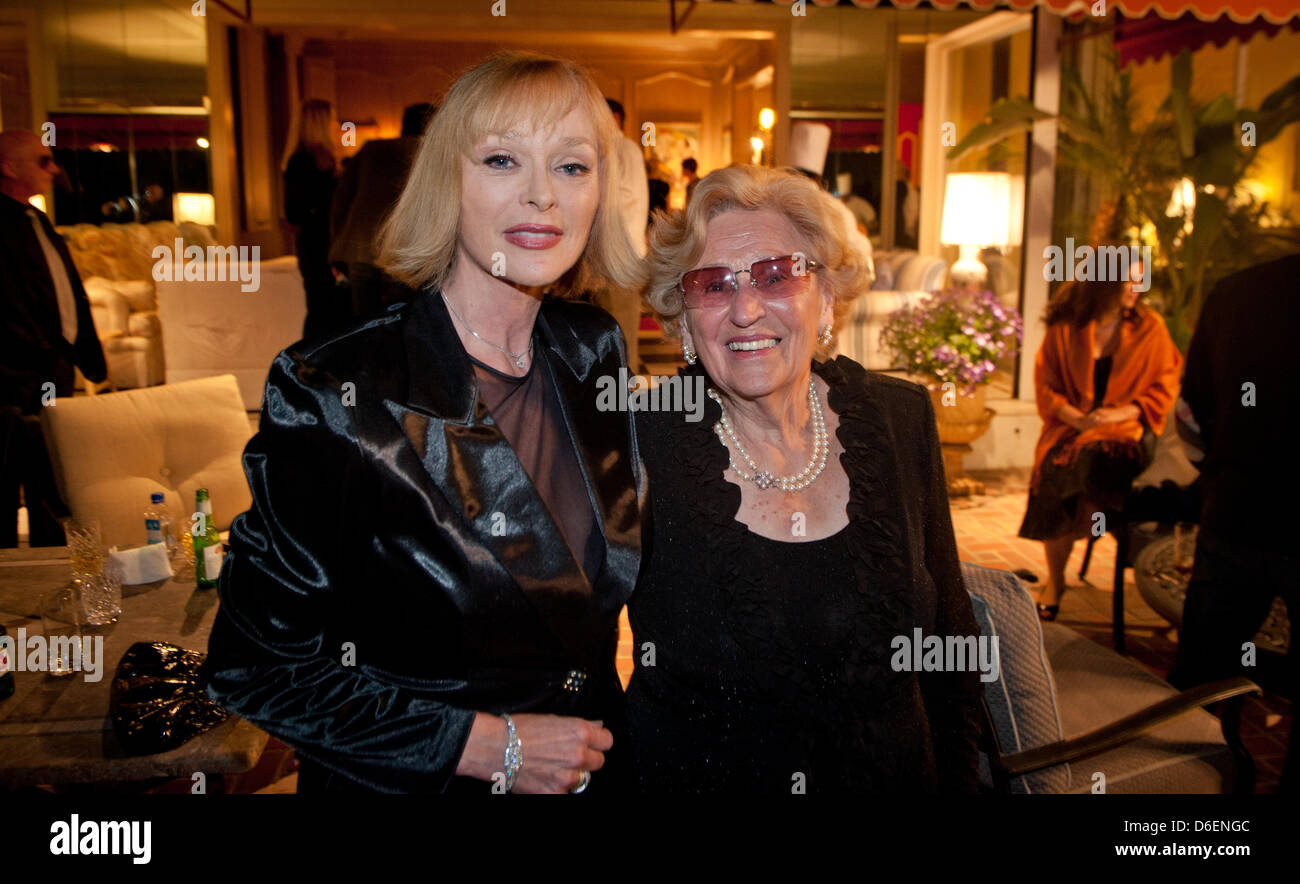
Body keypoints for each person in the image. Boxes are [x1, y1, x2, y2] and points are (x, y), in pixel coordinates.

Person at [200, 52, 647, 794]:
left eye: (572, 167)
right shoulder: (336, 388)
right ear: (447, 181)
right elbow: (255, 668)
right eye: (503, 159)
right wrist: (481, 746)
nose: (543, 195)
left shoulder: (592, 349)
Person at [627, 165, 983, 793]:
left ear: (827, 297)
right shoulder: (639, 442)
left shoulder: (899, 419)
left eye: (777, 275)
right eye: (713, 285)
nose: (746, 309)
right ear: (683, 322)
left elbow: (952, 642)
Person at [1167, 252, 1300, 791]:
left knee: (1201, 677)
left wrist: (1220, 472)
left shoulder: (1238, 288)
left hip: (1236, 514)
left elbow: (1191, 416)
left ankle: (1188, 801)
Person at [1019, 244, 1182, 620]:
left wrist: (1120, 413)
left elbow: (1165, 383)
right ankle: (1057, 578)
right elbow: (1046, 384)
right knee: (1057, 472)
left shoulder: (1149, 327)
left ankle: (1089, 524)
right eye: (1130, 279)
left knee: (1086, 464)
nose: (1136, 288)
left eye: (1141, 280)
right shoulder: (1066, 327)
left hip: (1125, 430)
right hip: (1071, 427)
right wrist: (1076, 418)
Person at [0, 129, 106, 547]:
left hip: (52, 370)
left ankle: (52, 561)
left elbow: (66, 291)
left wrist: (81, 355)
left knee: (53, 471)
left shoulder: (35, 218)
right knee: (9, 475)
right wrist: (30, 357)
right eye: (43, 161)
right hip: (16, 376)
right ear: (9, 167)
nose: (54, 168)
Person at [329, 102, 436, 319]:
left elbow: (340, 200)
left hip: (359, 249)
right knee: (401, 325)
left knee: (363, 325)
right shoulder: (428, 155)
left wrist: (337, 244)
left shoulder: (370, 149)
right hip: (402, 253)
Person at [592, 98, 648, 374]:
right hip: (625, 253)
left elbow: (611, 202)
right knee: (618, 328)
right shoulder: (628, 149)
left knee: (617, 328)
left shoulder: (618, 148)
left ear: (613, 117)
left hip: (617, 254)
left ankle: (620, 400)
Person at [282, 98, 343, 339]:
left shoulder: (317, 162)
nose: (337, 125)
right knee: (322, 314)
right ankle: (309, 371)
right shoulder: (303, 163)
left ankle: (315, 370)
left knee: (325, 313)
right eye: (332, 120)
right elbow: (294, 213)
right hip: (320, 248)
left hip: (320, 247)